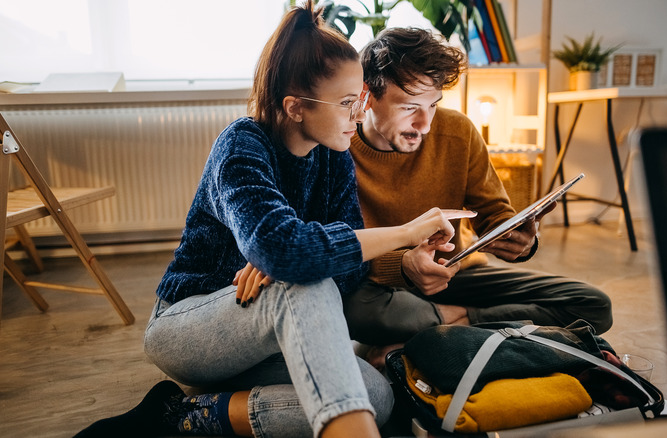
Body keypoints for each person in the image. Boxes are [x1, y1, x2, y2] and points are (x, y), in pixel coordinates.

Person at [75, 5, 471, 438]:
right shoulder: (242, 146)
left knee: (377, 398)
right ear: (295, 107)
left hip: (270, 328)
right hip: (187, 326)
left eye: (358, 100)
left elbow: (349, 272)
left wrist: (291, 258)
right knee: (303, 279)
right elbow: (288, 252)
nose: (358, 115)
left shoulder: (335, 159)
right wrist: (403, 233)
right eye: (345, 103)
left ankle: (189, 414)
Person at [344, 27, 614, 366]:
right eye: (410, 106)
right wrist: (402, 265)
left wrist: (519, 238)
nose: (425, 124)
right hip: (379, 284)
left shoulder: (457, 131)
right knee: (351, 309)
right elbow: (338, 249)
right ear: (367, 96)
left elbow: (494, 212)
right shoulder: (338, 146)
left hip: (455, 274)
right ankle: (477, 329)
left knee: (593, 304)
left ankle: (455, 322)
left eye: (433, 105)